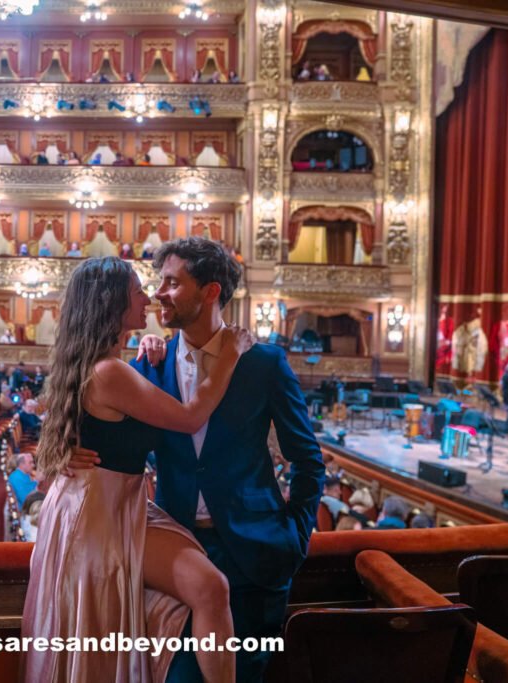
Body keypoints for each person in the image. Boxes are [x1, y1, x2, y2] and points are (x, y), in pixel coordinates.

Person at [70, 239, 325, 681]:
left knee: (246, 674)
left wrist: (295, 534)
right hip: (173, 548)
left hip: (255, 553)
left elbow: (307, 458)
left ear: (210, 291)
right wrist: (67, 453)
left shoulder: (263, 363)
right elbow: (99, 427)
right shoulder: (149, 363)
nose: (159, 294)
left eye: (172, 283)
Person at [22, 256, 255, 682]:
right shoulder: (109, 372)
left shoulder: (106, 364)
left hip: (105, 504)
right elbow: (189, 418)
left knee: (208, 588)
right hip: (97, 514)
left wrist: (147, 351)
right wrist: (230, 355)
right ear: (111, 301)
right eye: (137, 290)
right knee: (210, 587)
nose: (148, 298)